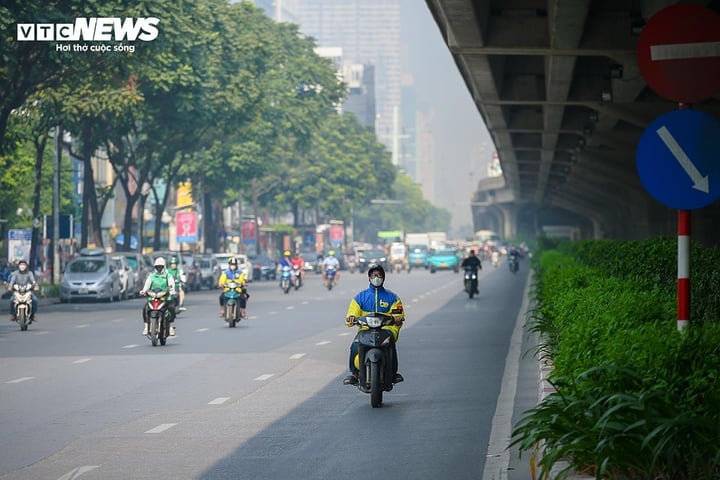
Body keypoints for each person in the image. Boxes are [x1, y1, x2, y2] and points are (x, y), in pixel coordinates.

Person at [343, 263, 405, 385]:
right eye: (373, 275)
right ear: (369, 277)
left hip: (386, 328)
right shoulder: (360, 297)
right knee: (355, 346)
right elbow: (352, 313)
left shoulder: (392, 297)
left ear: (384, 277)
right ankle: (354, 374)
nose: (376, 277)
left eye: (379, 275)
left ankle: (393, 373)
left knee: (390, 344)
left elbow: (399, 313)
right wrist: (351, 318)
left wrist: (397, 318)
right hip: (365, 329)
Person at [139, 257, 177, 336]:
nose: (159, 269)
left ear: (164, 267)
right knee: (145, 308)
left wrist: (172, 291)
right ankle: (146, 326)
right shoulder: (151, 276)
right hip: (153, 297)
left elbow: (171, 284)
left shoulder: (168, 276)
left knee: (172, 308)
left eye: (161, 267)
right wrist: (143, 291)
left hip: (165, 297)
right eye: (157, 267)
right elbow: (147, 285)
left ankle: (170, 327)